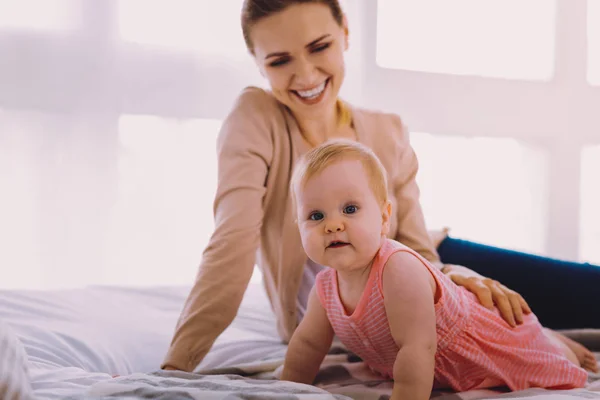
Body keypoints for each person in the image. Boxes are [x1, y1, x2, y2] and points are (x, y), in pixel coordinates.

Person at [161, 0, 600, 373]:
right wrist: (175, 369)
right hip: (386, 307)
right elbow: (231, 244)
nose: (306, 74)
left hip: (435, 270)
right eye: (280, 61)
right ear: (258, 63)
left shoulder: (386, 131)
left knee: (586, 294)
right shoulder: (256, 118)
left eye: (320, 47)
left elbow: (418, 251)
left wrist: (458, 278)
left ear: (346, 33)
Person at [280, 139, 594, 399]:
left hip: (490, 343)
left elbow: (418, 348)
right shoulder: (325, 288)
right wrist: (284, 390)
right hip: (438, 364)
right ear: (299, 226)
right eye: (316, 216)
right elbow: (308, 345)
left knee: (544, 360)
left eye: (350, 209)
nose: (333, 225)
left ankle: (555, 340)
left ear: (384, 218)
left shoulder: (397, 269)